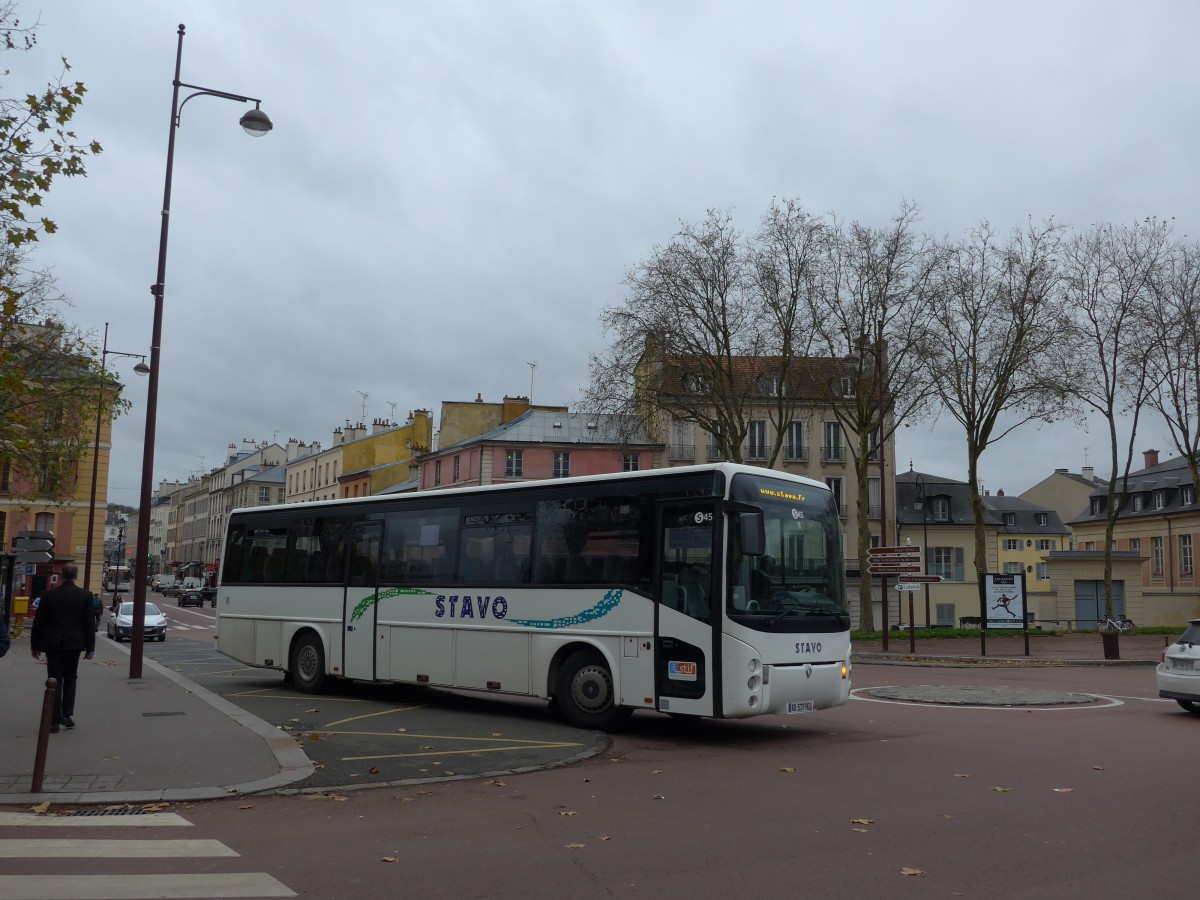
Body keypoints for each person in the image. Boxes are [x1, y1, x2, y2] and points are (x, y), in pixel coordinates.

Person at [30, 563, 96, 733]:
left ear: (61, 576)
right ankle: (67, 715)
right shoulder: (85, 595)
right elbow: (89, 624)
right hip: (74, 642)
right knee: (71, 678)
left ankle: (53, 719)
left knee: (53, 679)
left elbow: (38, 623)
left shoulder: (48, 595)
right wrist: (90, 648)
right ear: (75, 576)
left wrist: (34, 646)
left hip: (53, 642)